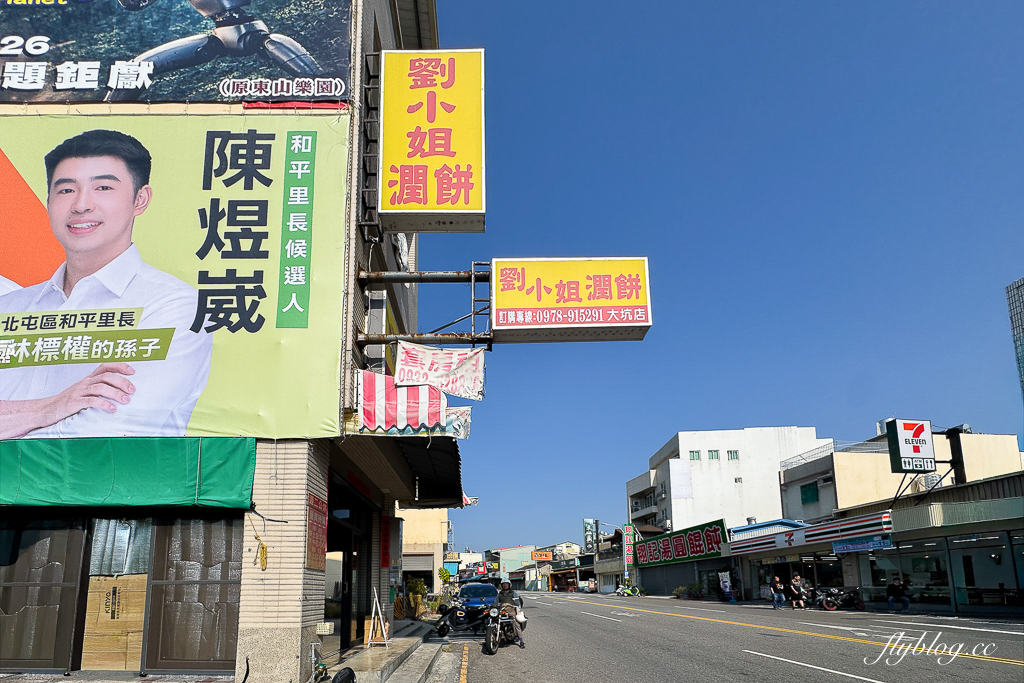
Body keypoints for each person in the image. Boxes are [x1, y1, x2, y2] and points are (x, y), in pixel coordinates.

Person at [0, 130, 212, 439]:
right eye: (65, 190)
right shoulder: (9, 309)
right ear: (48, 200)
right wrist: (52, 407)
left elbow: (102, 433)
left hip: (110, 487)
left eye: (103, 187)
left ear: (140, 199)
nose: (81, 205)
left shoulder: (175, 307)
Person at [497, 579, 525, 648]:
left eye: (506, 584)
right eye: (503, 584)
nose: (505, 585)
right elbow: (496, 602)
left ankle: (521, 641)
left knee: (516, 624)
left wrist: (518, 610)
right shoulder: (499, 594)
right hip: (502, 610)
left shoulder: (513, 593)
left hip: (511, 610)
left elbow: (517, 602)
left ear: (509, 585)